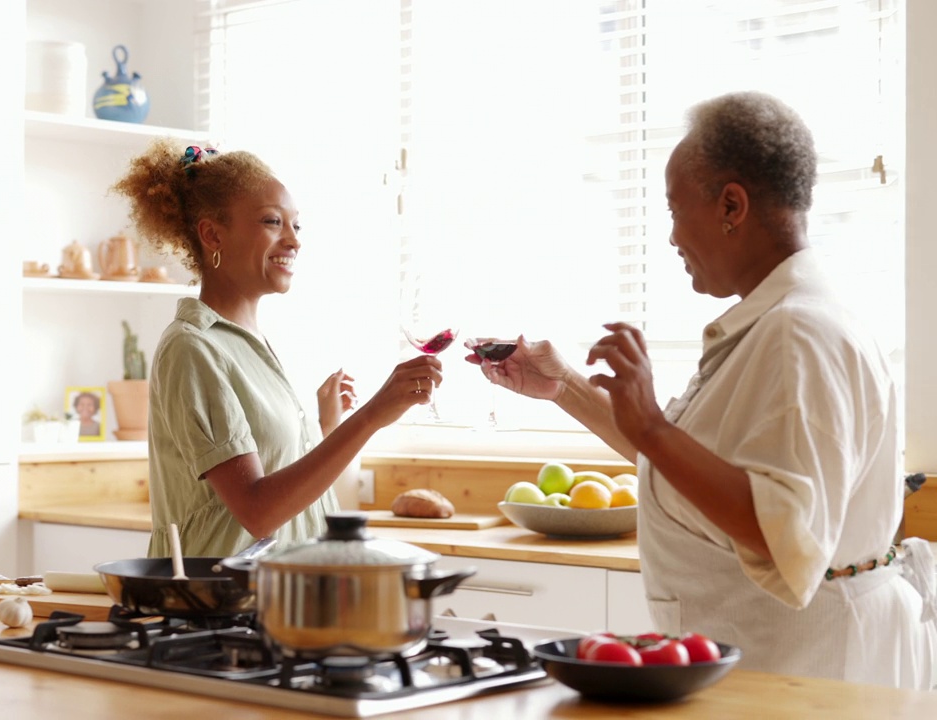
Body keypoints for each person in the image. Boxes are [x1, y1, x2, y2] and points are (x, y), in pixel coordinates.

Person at [470, 92, 935, 689]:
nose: (670, 237)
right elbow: (687, 480)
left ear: (731, 206)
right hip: (774, 663)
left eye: (674, 209)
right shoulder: (775, 326)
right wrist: (566, 389)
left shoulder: (799, 335)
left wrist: (655, 430)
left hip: (810, 671)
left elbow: (783, 533)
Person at [111, 139, 441, 558]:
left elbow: (282, 488)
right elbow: (258, 511)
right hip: (219, 606)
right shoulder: (192, 348)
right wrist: (373, 415)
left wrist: (323, 430)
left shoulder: (249, 343)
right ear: (213, 234)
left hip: (278, 600)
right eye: (272, 222)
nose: (293, 241)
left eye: (295, 225)